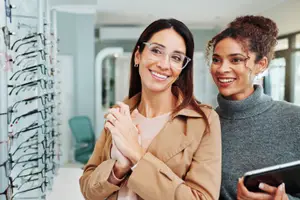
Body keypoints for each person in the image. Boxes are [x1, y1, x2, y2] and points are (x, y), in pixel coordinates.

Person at [79, 18, 222, 200]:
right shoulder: (120, 115)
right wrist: (118, 169)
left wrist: (137, 156)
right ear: (138, 55)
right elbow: (87, 188)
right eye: (156, 51)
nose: (164, 64)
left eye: (176, 58)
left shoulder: (204, 121)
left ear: (182, 69)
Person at [206, 15, 300, 200]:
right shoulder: (205, 124)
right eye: (216, 60)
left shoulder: (295, 120)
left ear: (261, 64)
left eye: (236, 60)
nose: (222, 69)